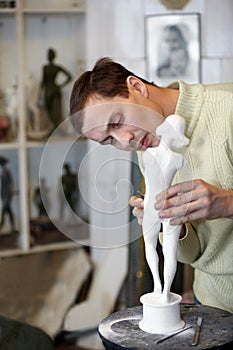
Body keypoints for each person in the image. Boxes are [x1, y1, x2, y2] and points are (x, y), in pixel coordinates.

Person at [69, 57, 233, 314]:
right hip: (212, 305)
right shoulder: (148, 149)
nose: (125, 141)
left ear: (136, 86)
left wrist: (228, 203)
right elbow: (194, 253)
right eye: (109, 140)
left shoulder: (227, 107)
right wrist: (169, 224)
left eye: (118, 121)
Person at [38, 48, 72, 129]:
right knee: (53, 110)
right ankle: (55, 127)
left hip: (49, 90)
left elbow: (43, 82)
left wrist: (39, 93)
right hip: (54, 89)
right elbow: (69, 77)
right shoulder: (53, 67)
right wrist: (60, 86)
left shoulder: (47, 68)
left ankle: (55, 128)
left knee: (54, 110)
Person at [0, 156, 15, 232]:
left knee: (3, 211)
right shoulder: (2, 172)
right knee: (9, 211)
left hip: (7, 195)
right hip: (4, 195)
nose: (2, 165)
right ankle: (13, 228)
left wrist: (10, 193)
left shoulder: (7, 172)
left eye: (2, 163)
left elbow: (11, 183)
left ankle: (1, 225)